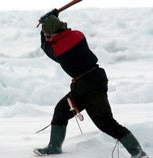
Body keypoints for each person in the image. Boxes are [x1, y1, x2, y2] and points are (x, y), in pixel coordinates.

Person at [33, 10, 148, 158]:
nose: (48, 39)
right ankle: (54, 147)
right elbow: (53, 37)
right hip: (87, 82)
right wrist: (52, 20)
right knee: (61, 110)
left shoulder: (59, 49)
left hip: (91, 85)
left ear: (57, 32)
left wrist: (43, 27)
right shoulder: (78, 35)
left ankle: (138, 152)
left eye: (49, 36)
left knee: (106, 123)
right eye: (47, 36)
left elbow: (45, 47)